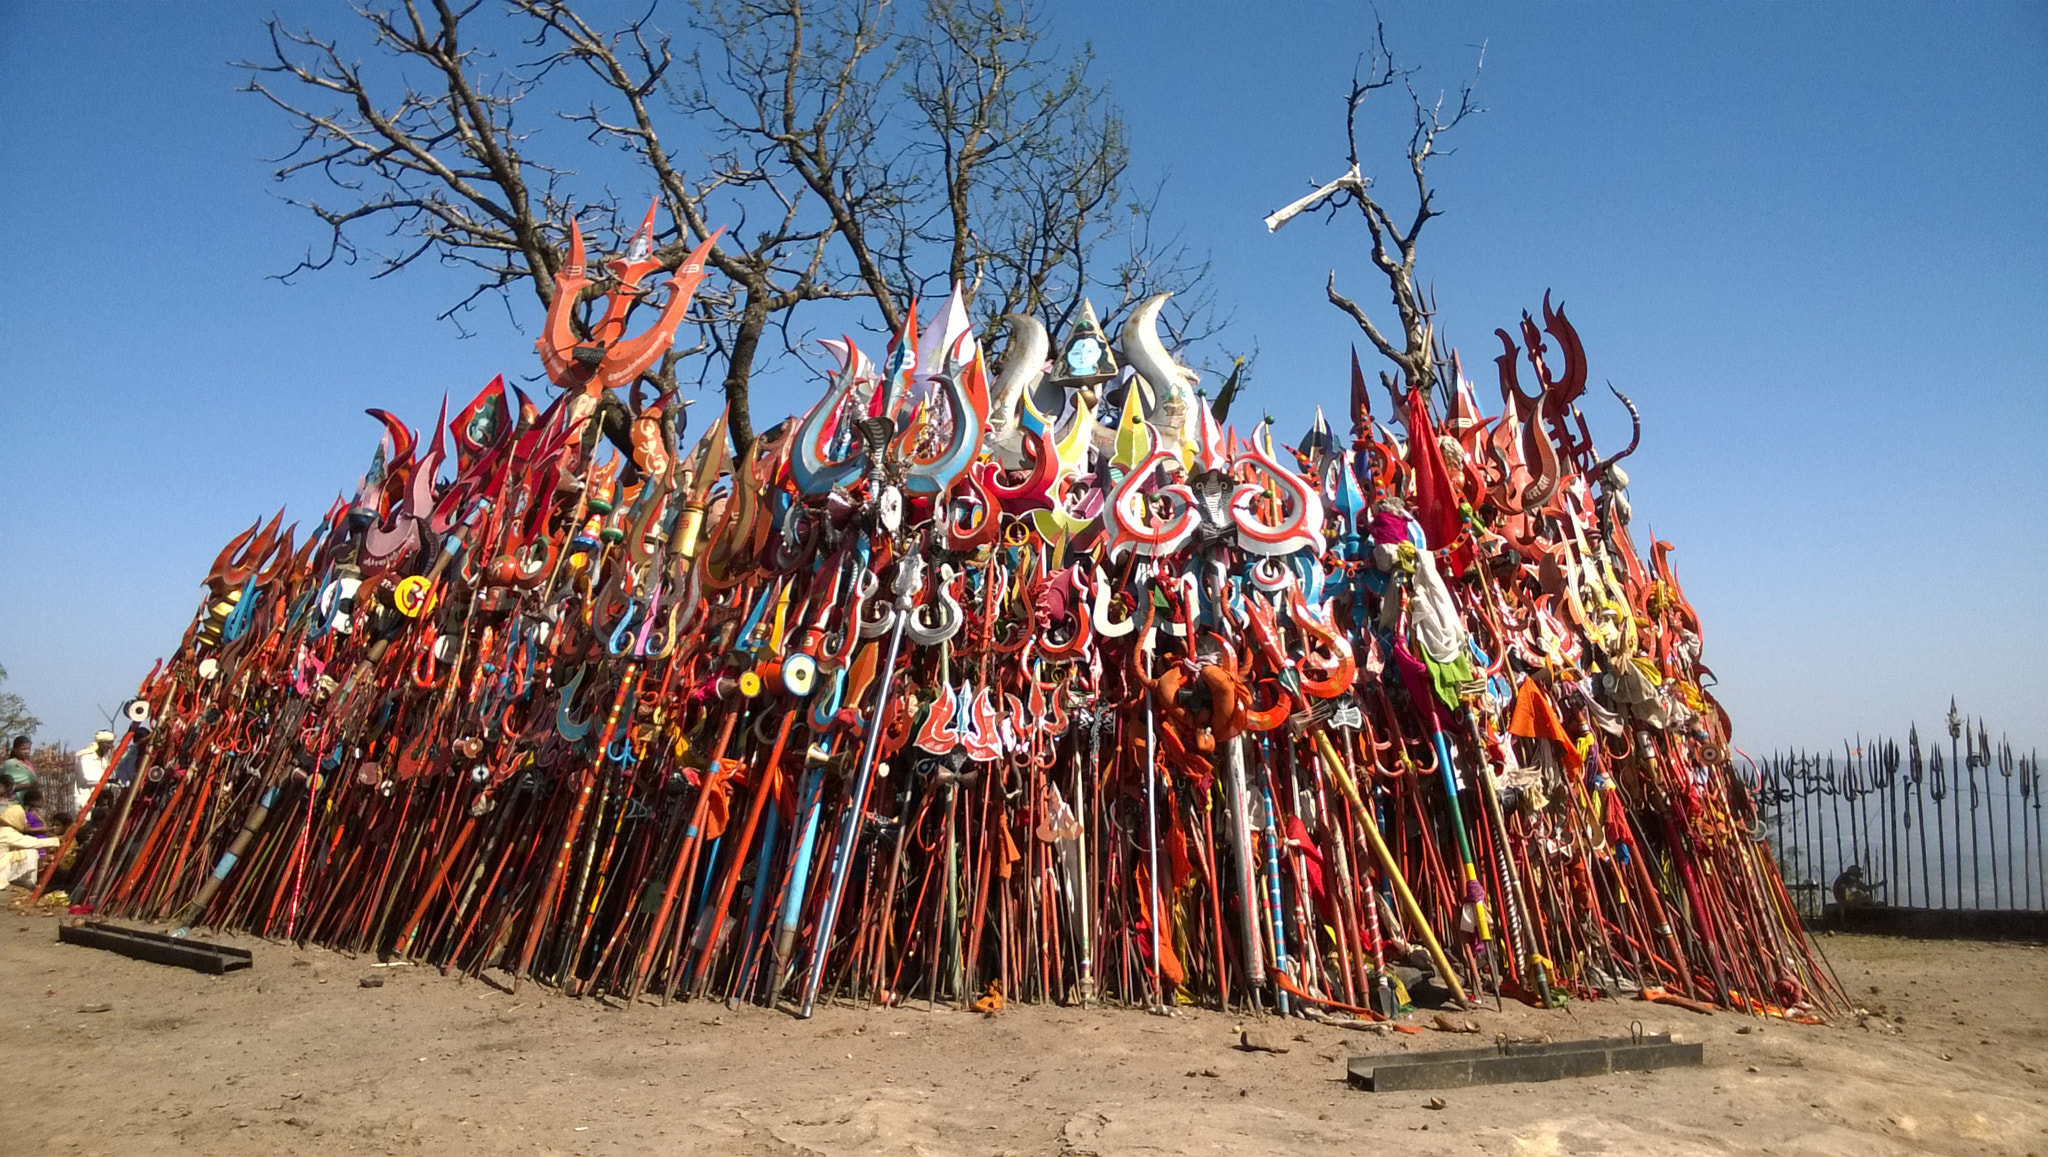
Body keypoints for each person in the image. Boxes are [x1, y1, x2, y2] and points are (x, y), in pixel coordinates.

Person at [1, 784, 58, 891]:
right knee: (31, 852)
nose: (25, 822)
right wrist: (56, 840)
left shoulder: (6, 830)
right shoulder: (6, 832)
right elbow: (31, 842)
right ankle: (29, 885)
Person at [75, 731, 115, 814]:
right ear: (100, 743)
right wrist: (107, 782)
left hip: (101, 799)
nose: (110, 746)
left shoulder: (104, 758)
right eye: (107, 743)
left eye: (111, 743)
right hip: (86, 798)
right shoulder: (86, 757)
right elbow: (87, 779)